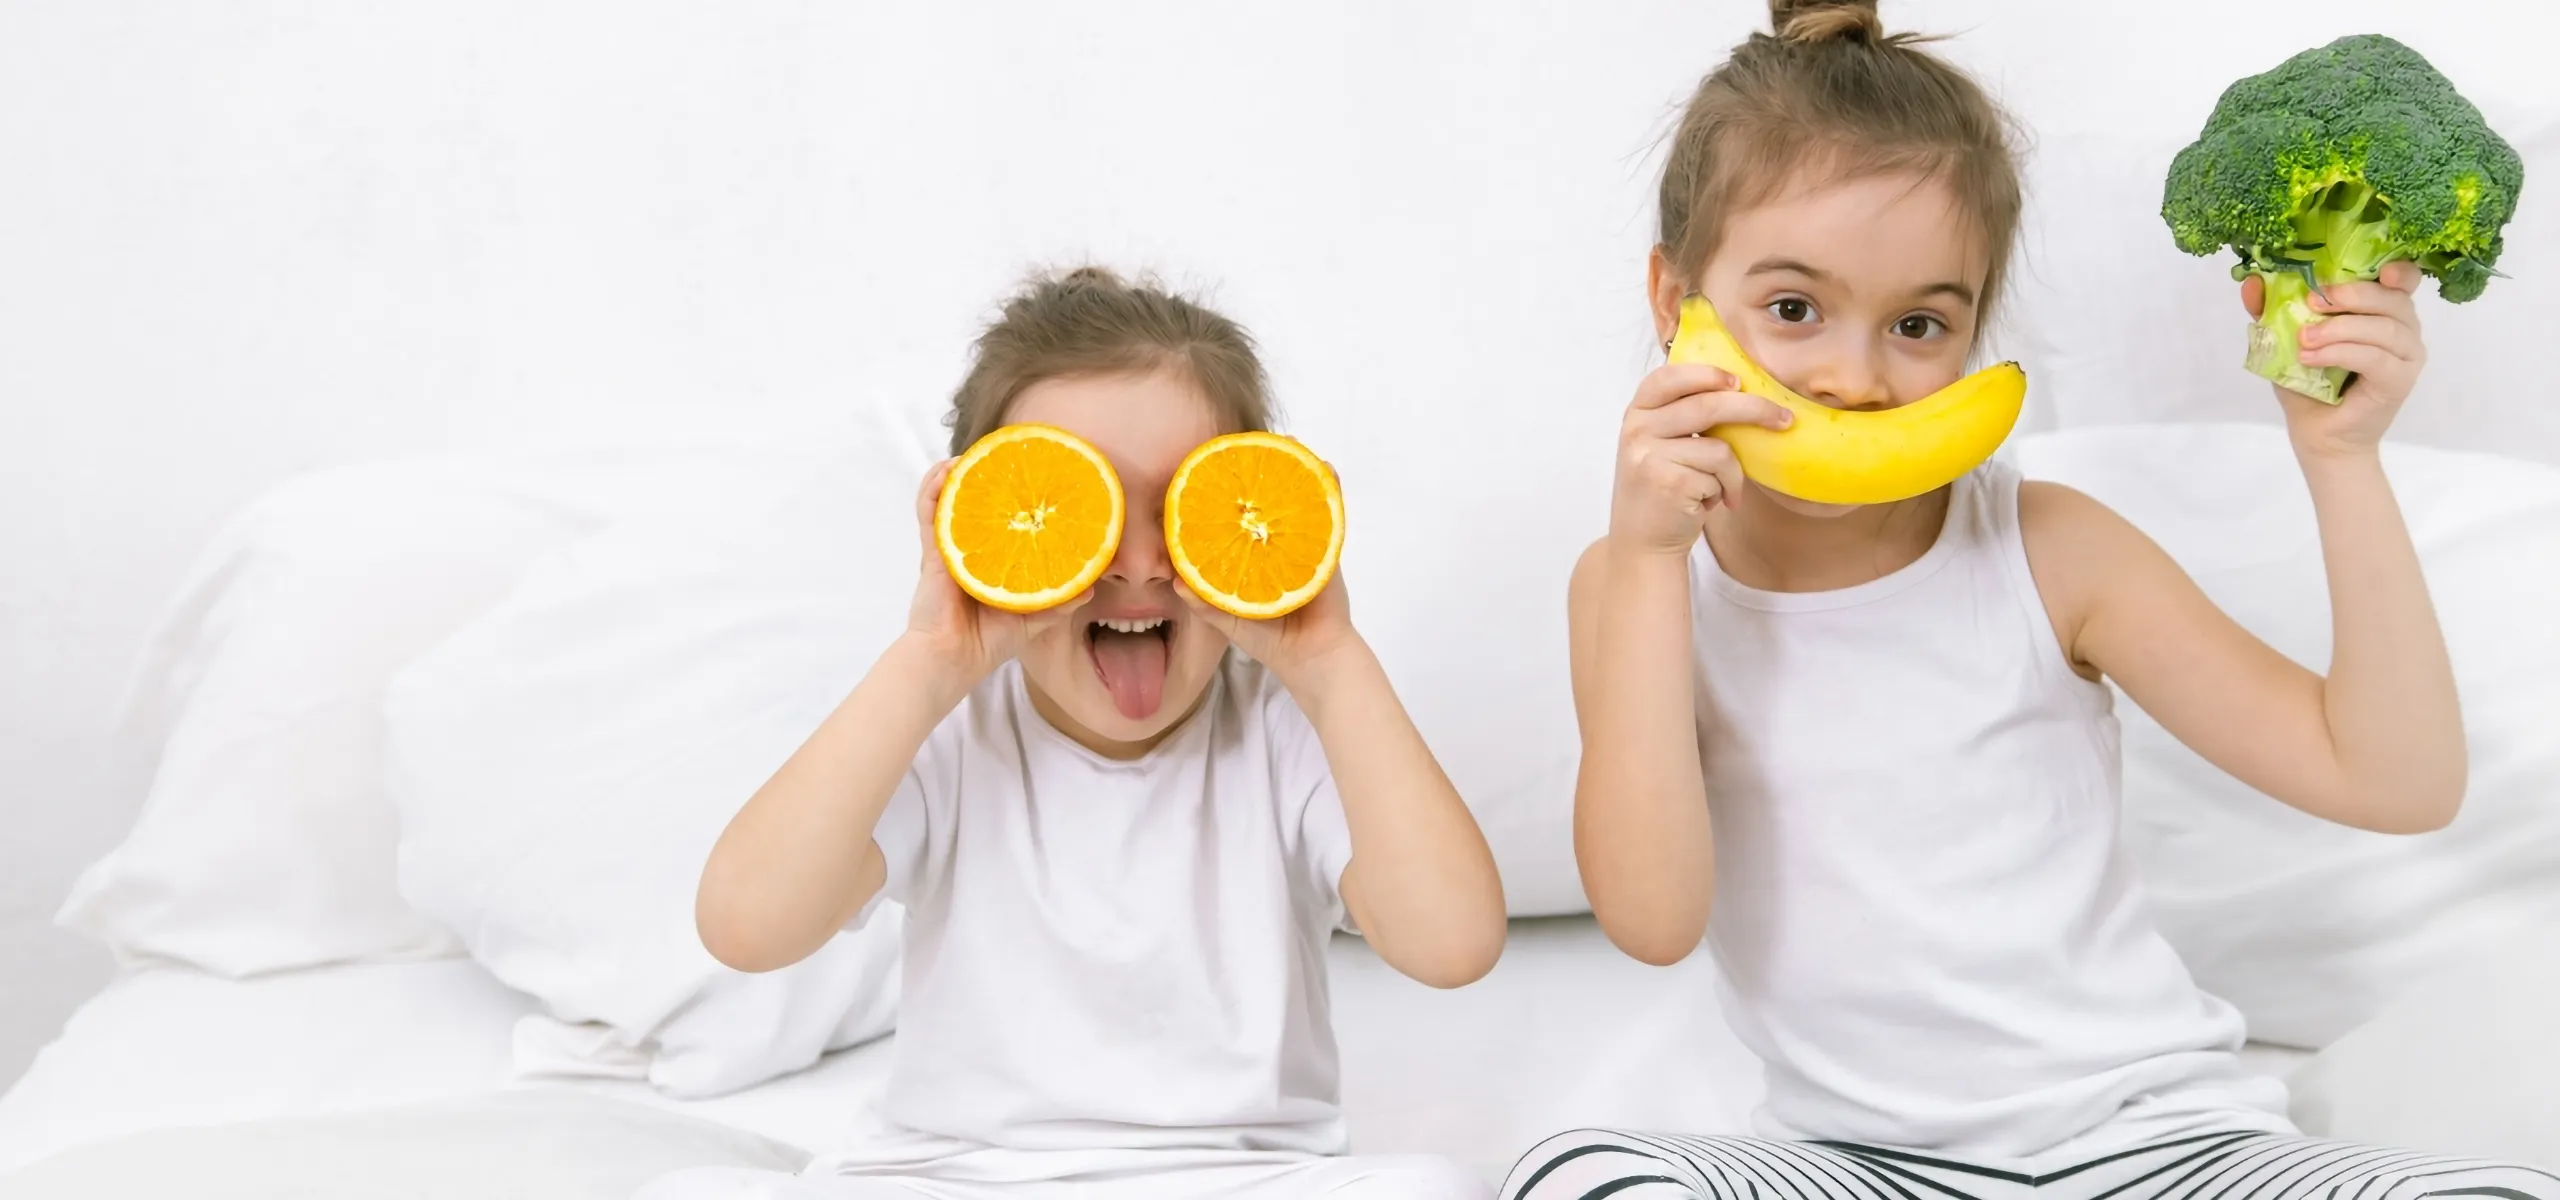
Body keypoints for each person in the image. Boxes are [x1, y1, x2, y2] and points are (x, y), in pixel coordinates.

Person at [1508, 3, 2557, 1198]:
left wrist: (2341, 462)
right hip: (1861, 1167)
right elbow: (1651, 919)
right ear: (1672, 296)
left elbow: (2396, 782)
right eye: (1792, 309)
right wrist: (1646, 565)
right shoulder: (1630, 583)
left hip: (2158, 1145)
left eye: (1918, 324)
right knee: (1578, 1173)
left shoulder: (2047, 548)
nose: (1852, 377)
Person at [643, 266, 1507, 1200]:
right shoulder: (950, 736)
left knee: (1430, 1187)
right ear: (984, 524)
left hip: (1232, 1182)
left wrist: (1334, 661)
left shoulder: (1287, 731)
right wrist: (928, 659)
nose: (1133, 565)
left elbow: (1453, 944)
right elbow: (746, 926)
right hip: (952, 1178)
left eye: (1181, 509)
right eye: (1076, 512)